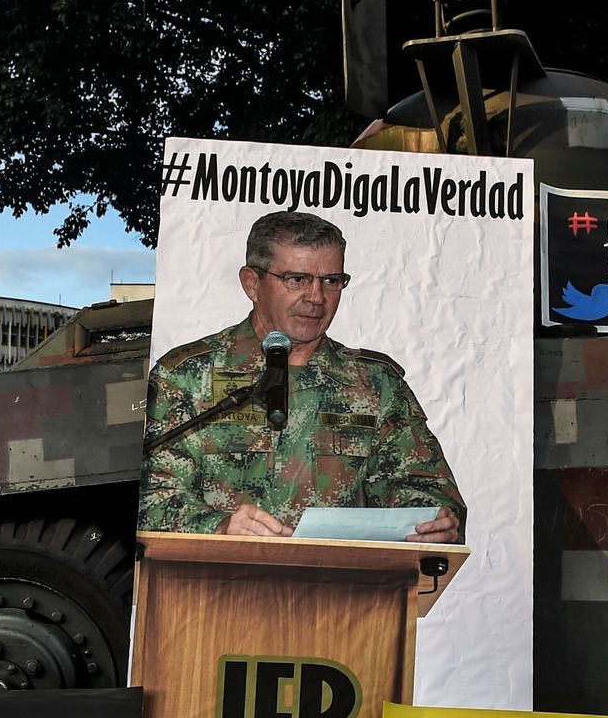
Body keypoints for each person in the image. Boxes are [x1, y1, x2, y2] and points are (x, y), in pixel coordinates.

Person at [138, 211, 465, 542]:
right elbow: (150, 494)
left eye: (331, 281)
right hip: (214, 572)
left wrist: (431, 522)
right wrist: (217, 528)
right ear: (252, 283)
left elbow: (424, 487)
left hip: (339, 575)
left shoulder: (375, 385)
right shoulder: (186, 377)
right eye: (297, 279)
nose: (316, 298)